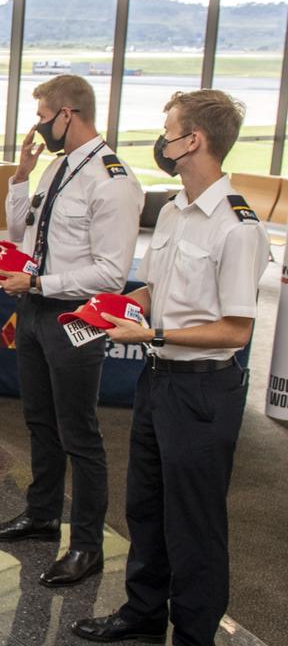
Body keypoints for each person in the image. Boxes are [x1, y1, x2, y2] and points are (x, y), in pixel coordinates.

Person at [73, 90, 267, 646]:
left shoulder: (236, 224)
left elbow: (236, 329)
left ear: (194, 141)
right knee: (147, 507)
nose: (162, 140)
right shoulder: (176, 210)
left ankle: (194, 633)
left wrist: (152, 332)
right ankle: (142, 613)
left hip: (204, 390)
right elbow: (159, 290)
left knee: (196, 523)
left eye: (169, 130)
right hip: (158, 382)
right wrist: (115, 306)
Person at [0, 75, 143, 587]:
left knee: (80, 433)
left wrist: (39, 280)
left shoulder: (112, 178)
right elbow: (19, 234)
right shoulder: (56, 168)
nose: (39, 126)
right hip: (34, 310)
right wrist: (21, 179)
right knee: (39, 421)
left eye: (43, 115)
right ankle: (42, 513)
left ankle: (88, 545)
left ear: (68, 114)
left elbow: (111, 273)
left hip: (75, 317)